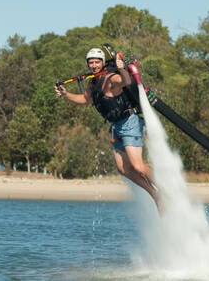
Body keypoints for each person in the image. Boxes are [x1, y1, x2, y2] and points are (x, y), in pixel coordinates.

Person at [55, 46, 162, 213]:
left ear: (103, 63)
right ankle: (155, 195)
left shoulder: (111, 78)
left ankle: (166, 189)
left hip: (129, 122)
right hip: (115, 127)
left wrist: (121, 69)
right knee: (123, 169)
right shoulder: (93, 83)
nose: (94, 65)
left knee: (138, 166)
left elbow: (126, 81)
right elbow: (85, 100)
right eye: (91, 62)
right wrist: (66, 94)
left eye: (97, 62)